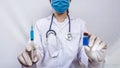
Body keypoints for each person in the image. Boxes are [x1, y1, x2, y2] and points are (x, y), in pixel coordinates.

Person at [17, 0, 107, 68]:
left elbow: (84, 57)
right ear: (50, 0)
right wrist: (29, 61)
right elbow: (35, 55)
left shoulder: (81, 25)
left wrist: (94, 61)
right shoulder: (40, 25)